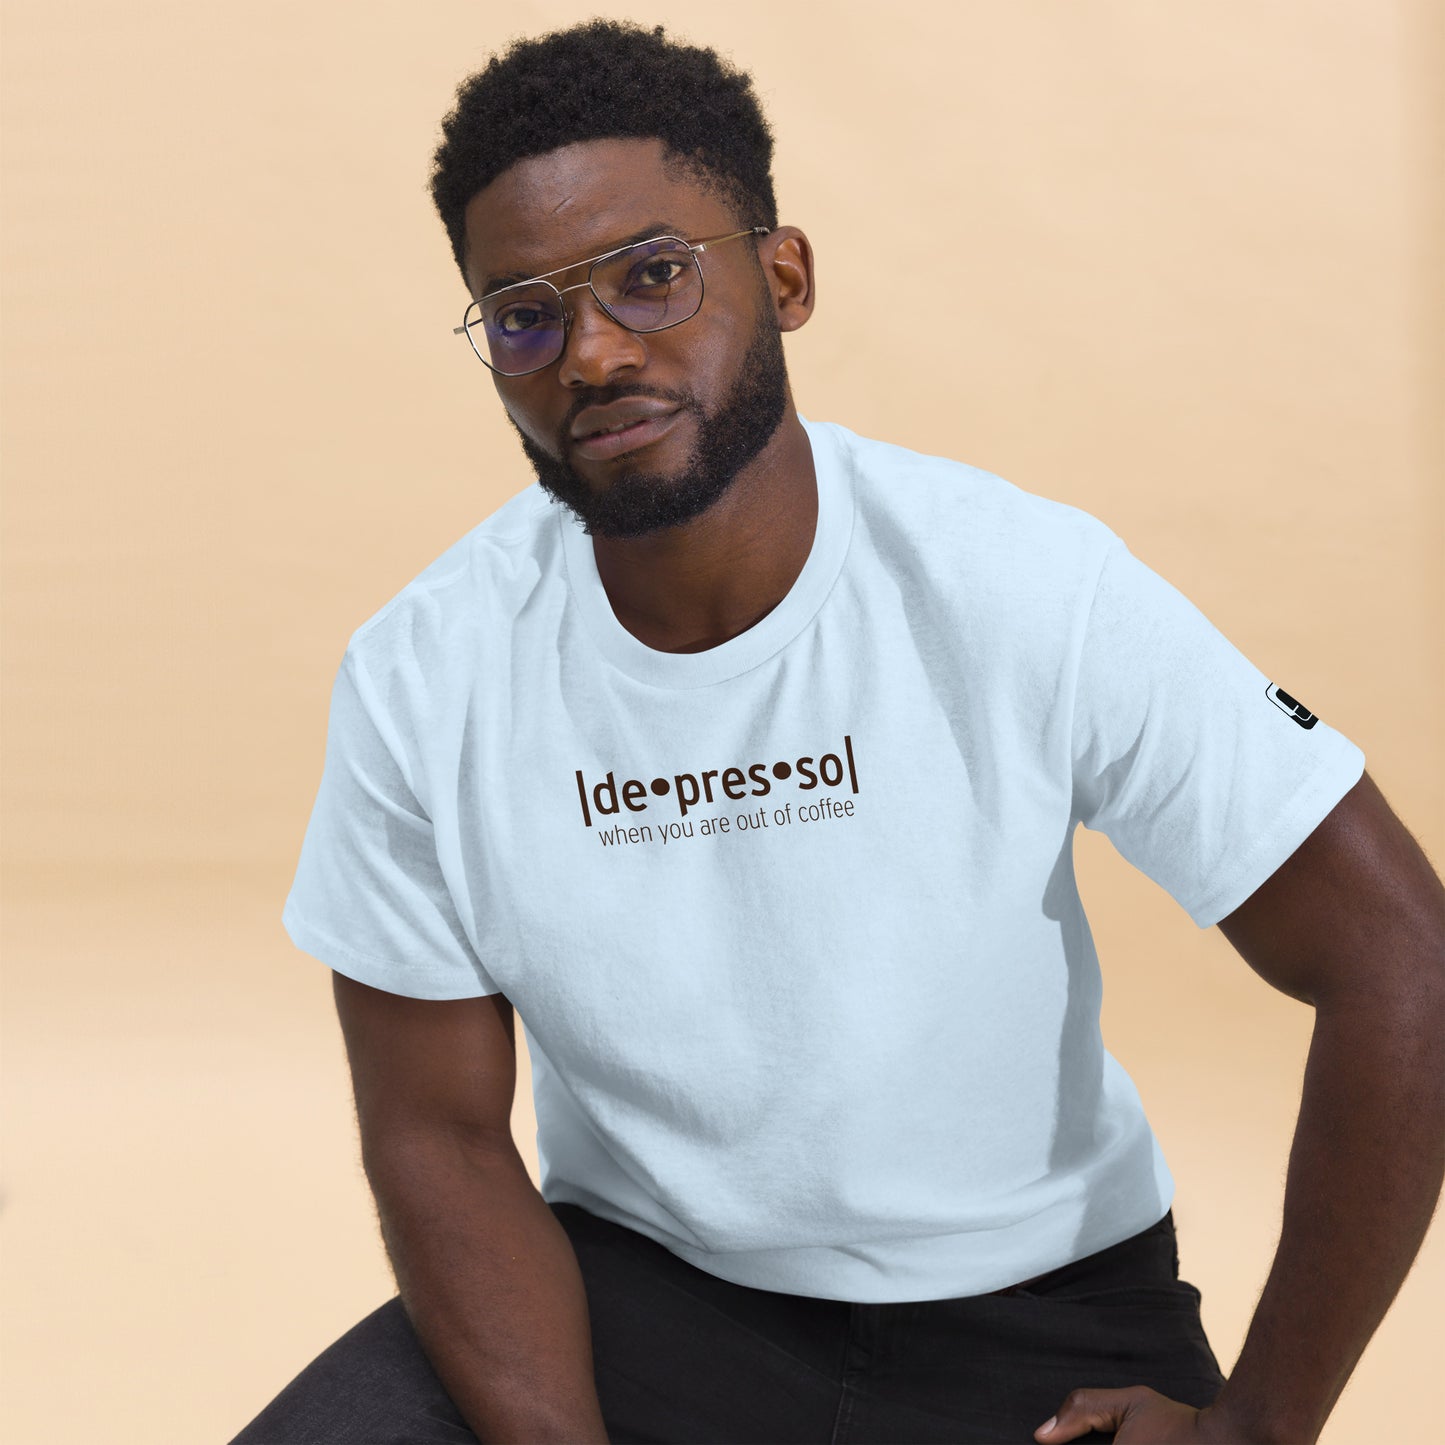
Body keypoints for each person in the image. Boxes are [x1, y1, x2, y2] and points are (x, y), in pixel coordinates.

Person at [231, 19, 1445, 1445]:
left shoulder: (1019, 583)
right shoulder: (422, 673)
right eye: (524, 316)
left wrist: (1259, 1424)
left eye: (653, 275)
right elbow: (434, 1131)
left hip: (1035, 1321)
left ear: (783, 276)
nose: (594, 352)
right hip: (643, 1300)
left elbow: (1399, 958)